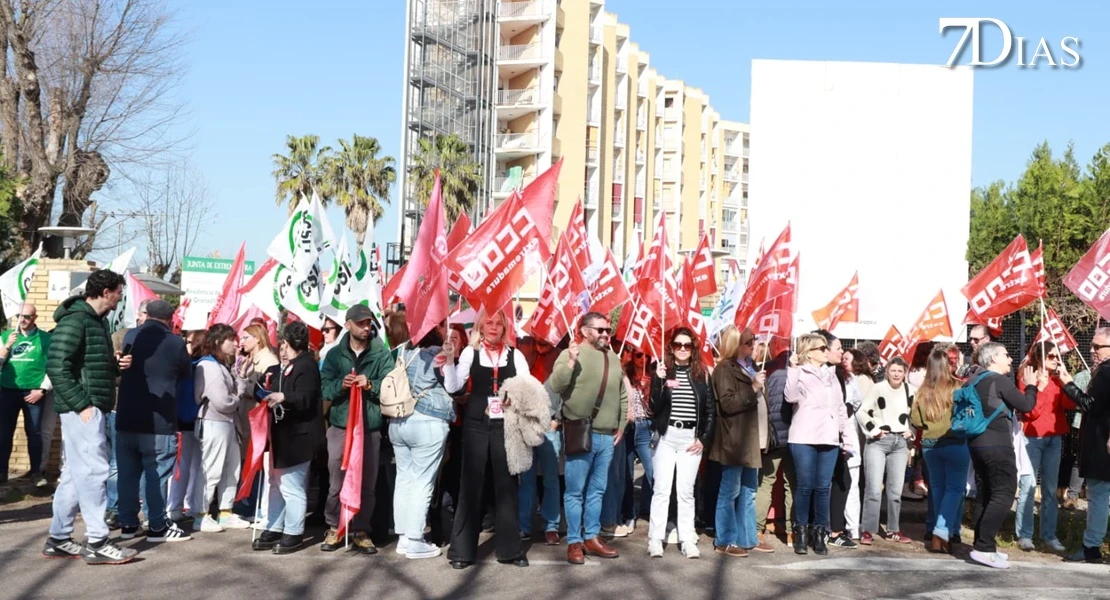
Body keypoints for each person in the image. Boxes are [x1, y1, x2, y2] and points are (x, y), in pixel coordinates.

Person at [41, 269, 138, 565]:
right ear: (106, 291)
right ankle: (97, 541)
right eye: (118, 292)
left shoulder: (97, 321)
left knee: (75, 474)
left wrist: (116, 365)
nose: (120, 298)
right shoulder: (76, 320)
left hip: (89, 406)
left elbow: (89, 365)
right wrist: (82, 405)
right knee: (94, 472)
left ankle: (59, 538)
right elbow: (56, 366)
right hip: (84, 408)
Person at [442, 308, 531, 568]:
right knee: (470, 485)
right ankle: (461, 552)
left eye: (498, 323)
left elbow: (527, 387)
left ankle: (511, 550)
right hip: (476, 425)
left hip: (506, 425)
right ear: (480, 326)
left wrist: (514, 398)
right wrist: (449, 360)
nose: (493, 327)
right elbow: (453, 387)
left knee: (507, 485)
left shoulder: (515, 355)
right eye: (488, 322)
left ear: (505, 328)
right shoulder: (470, 353)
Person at [549, 311, 627, 565]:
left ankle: (591, 537)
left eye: (608, 330)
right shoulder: (570, 353)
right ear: (584, 331)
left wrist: (621, 424)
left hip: (607, 437)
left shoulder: (612, 357)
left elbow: (622, 394)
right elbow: (556, 385)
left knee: (597, 491)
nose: (606, 334)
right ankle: (574, 541)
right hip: (580, 432)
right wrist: (571, 362)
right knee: (575, 492)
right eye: (600, 330)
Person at [115, 299, 192, 542]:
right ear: (170, 319)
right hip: (159, 420)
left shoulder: (130, 336)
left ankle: (128, 524)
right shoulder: (175, 342)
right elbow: (186, 372)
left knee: (127, 474)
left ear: (146, 315)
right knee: (156, 474)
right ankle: (157, 525)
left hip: (126, 416)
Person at [319, 304, 393, 554]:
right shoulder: (334, 355)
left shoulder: (381, 353)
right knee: (336, 480)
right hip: (341, 425)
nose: (366, 327)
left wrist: (371, 384)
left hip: (370, 427)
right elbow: (324, 388)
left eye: (368, 322)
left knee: (367, 482)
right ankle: (334, 527)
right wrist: (340, 385)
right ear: (348, 325)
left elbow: (390, 384)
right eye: (360, 323)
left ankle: (361, 530)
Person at [252, 321, 325, 554]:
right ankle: (275, 526)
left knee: (292, 486)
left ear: (289, 343)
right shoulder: (287, 366)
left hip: (299, 436)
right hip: (283, 434)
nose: (282, 348)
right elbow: (272, 385)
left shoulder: (306, 365)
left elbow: (306, 397)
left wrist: (285, 396)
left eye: (284, 343)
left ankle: (294, 531)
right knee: (276, 484)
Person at [965, 342, 1038, 569]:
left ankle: (982, 545)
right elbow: (1026, 405)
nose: (1010, 359)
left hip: (977, 444)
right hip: (997, 445)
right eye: (1006, 355)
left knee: (986, 494)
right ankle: (984, 547)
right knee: (1004, 493)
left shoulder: (974, 380)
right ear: (994, 358)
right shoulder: (999, 380)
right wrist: (1031, 385)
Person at [387, 322, 453, 560]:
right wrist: (450, 357)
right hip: (428, 420)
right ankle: (415, 539)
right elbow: (452, 385)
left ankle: (404, 537)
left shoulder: (401, 351)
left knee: (404, 479)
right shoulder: (437, 354)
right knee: (422, 482)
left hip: (399, 420)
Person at [647, 327, 714, 559]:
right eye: (678, 345)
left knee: (686, 492)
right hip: (666, 437)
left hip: (690, 439)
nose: (682, 349)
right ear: (671, 348)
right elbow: (653, 407)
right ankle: (655, 539)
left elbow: (710, 411)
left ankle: (687, 539)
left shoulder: (702, 374)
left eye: (687, 345)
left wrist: (703, 439)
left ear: (693, 349)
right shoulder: (663, 372)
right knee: (661, 490)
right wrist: (658, 381)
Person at [784, 333, 853, 556]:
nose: (826, 351)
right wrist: (793, 369)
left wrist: (847, 439)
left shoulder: (831, 375)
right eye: (822, 348)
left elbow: (840, 408)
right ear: (809, 352)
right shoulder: (800, 372)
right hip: (804, 437)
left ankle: (820, 533)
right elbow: (790, 397)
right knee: (805, 486)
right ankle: (801, 533)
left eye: (826, 348)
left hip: (829, 438)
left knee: (823, 488)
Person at [710, 326, 768, 557]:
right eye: (747, 342)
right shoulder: (725, 369)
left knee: (749, 491)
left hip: (750, 439)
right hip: (734, 440)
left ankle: (747, 538)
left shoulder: (750, 366)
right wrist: (753, 387)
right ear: (735, 345)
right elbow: (727, 403)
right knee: (730, 491)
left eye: (753, 341)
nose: (753, 346)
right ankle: (725, 540)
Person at [1013, 343, 1073, 552]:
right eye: (1051, 356)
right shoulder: (1027, 377)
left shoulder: (1057, 379)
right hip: (1032, 437)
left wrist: (1067, 383)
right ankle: (1024, 534)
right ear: (1040, 357)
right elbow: (1029, 412)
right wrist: (1038, 388)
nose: (1056, 359)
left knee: (1050, 488)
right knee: (1028, 486)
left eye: (1057, 356)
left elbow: (1069, 405)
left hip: (1054, 437)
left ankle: (1048, 535)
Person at [1057, 329, 1110, 563]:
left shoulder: (1106, 372)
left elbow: (1090, 405)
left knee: (1098, 496)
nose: (1092, 350)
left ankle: (1091, 548)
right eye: (1092, 345)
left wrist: (1068, 384)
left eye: (1098, 346)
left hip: (1101, 446)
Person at [911, 348, 969, 554]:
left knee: (937, 489)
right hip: (955, 442)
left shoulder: (922, 391)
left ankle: (943, 533)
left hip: (930, 444)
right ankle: (943, 531)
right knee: (955, 489)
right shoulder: (958, 386)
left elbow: (916, 420)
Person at [194, 323, 249, 532]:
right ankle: (201, 514)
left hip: (225, 424)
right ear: (218, 342)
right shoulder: (210, 366)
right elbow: (223, 402)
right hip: (214, 423)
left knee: (231, 469)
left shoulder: (219, 365)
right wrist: (238, 394)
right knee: (211, 469)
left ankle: (225, 512)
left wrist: (238, 384)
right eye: (231, 340)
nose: (236, 344)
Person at [857, 356, 916, 545]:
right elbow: (861, 412)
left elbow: (916, 416)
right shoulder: (878, 388)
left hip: (900, 443)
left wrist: (912, 431)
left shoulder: (910, 390)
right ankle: (868, 529)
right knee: (874, 489)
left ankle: (893, 529)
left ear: (905, 373)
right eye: (893, 370)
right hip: (878, 442)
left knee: (895, 490)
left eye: (900, 371)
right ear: (887, 371)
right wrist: (874, 430)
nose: (896, 374)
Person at [517, 335, 564, 545]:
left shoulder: (560, 356)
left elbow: (565, 389)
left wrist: (557, 419)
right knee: (526, 480)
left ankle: (551, 526)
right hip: (525, 423)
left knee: (551, 480)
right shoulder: (522, 352)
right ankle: (523, 525)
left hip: (549, 425)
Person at [0, 303, 53, 486]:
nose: (22, 320)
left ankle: (36, 472)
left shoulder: (46, 339)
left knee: (35, 433)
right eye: (19, 316)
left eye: (27, 316)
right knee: (4, 432)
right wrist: (8, 345)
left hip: (33, 392)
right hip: (8, 390)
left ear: (35, 318)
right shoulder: (6, 336)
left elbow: (53, 367)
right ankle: (2, 472)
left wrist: (43, 389)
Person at [755, 350, 795, 548]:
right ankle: (791, 531)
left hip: (774, 437)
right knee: (792, 485)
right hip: (796, 437)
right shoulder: (800, 376)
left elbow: (767, 404)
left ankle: (757, 529)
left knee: (765, 483)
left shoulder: (773, 376)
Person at [168, 330, 206, 523]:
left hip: (191, 419)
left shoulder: (196, 366)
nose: (185, 344)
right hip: (186, 421)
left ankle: (184, 505)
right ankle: (177, 506)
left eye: (190, 341)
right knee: (185, 466)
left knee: (192, 466)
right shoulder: (188, 366)